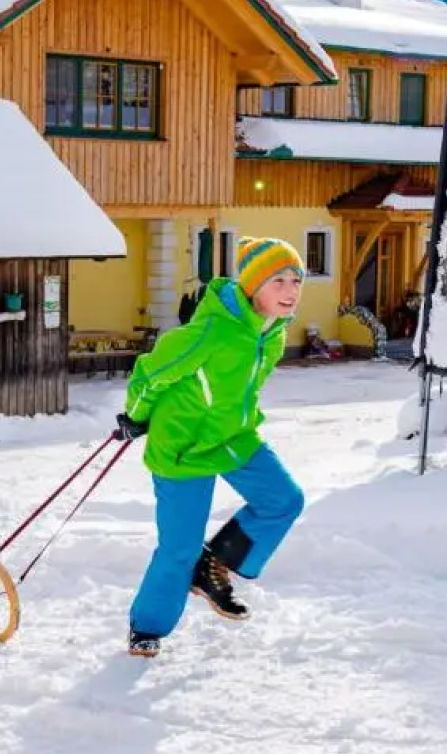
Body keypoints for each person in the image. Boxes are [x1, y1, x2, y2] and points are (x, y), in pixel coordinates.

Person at [114, 237, 308, 658]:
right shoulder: (210, 330)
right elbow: (151, 372)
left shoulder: (270, 334)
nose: (291, 291)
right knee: (179, 548)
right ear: (253, 285)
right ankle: (147, 627)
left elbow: (242, 391)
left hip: (233, 436)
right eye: (279, 281)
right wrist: (136, 414)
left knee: (284, 500)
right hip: (184, 446)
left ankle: (214, 563)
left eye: (296, 280)